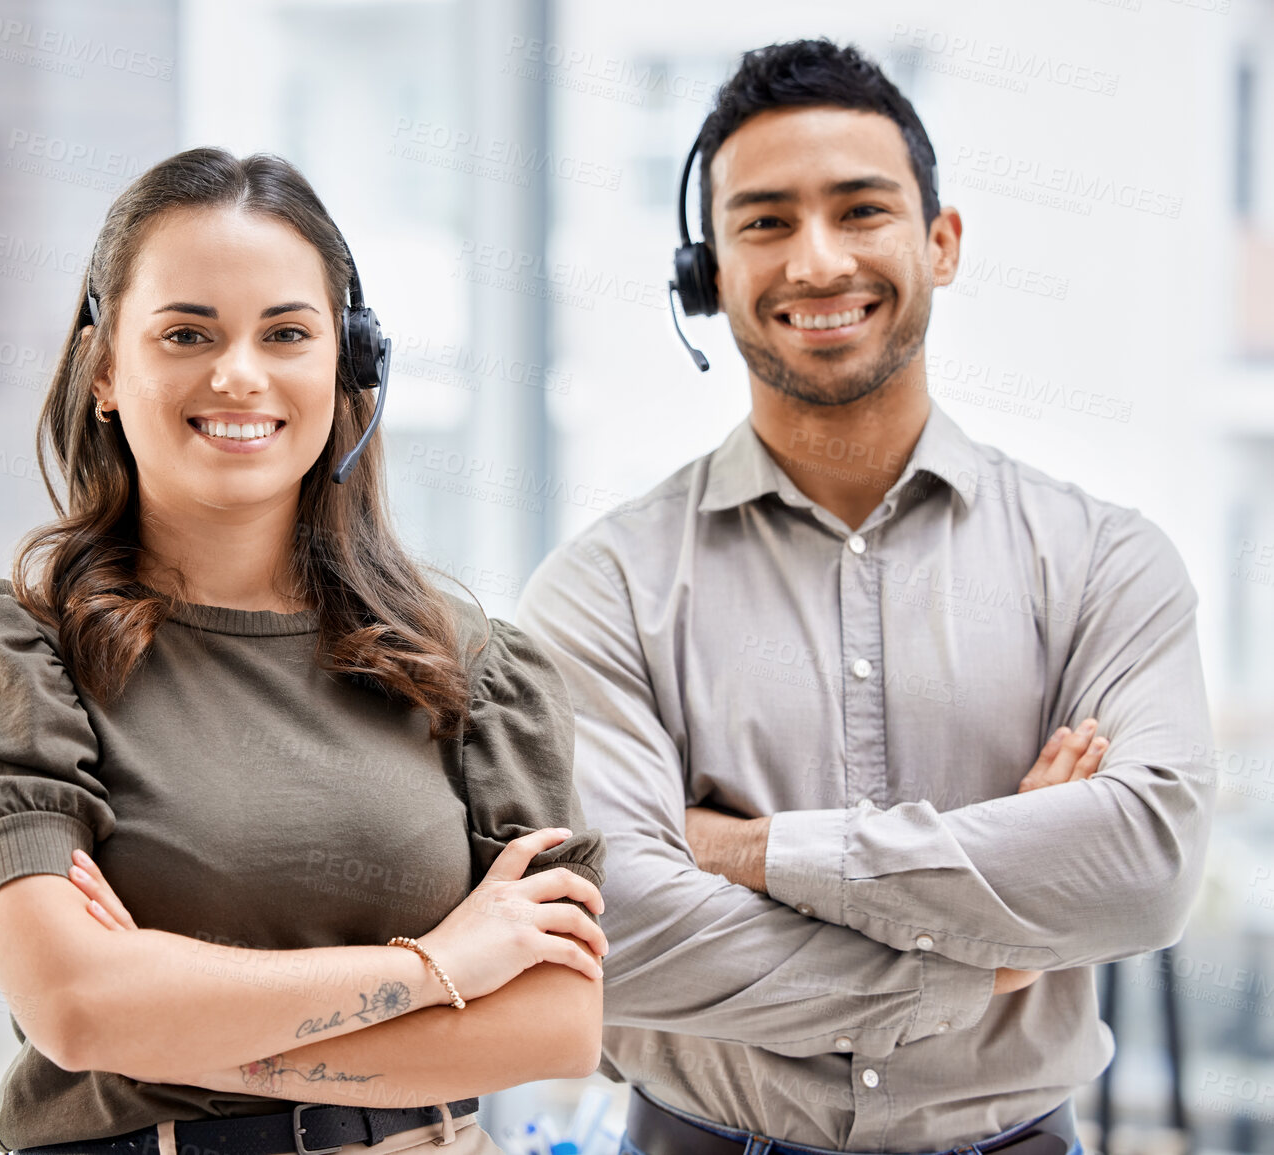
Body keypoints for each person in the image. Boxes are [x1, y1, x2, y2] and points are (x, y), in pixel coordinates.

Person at [515, 38, 1214, 1155]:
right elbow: (621, 929)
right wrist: (991, 948)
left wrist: (744, 851)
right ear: (708, 276)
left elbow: (1144, 867)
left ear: (940, 243)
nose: (817, 260)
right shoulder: (604, 588)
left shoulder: (1104, 562)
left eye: (861, 210)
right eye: (764, 222)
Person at [0, 147, 608, 1155]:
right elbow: (78, 1009)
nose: (238, 374)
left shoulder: (472, 668)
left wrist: (181, 1024)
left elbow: (555, 1026)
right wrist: (440, 965)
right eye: (187, 333)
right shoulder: (14, 656)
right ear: (104, 369)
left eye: (286, 333)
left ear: (347, 365)